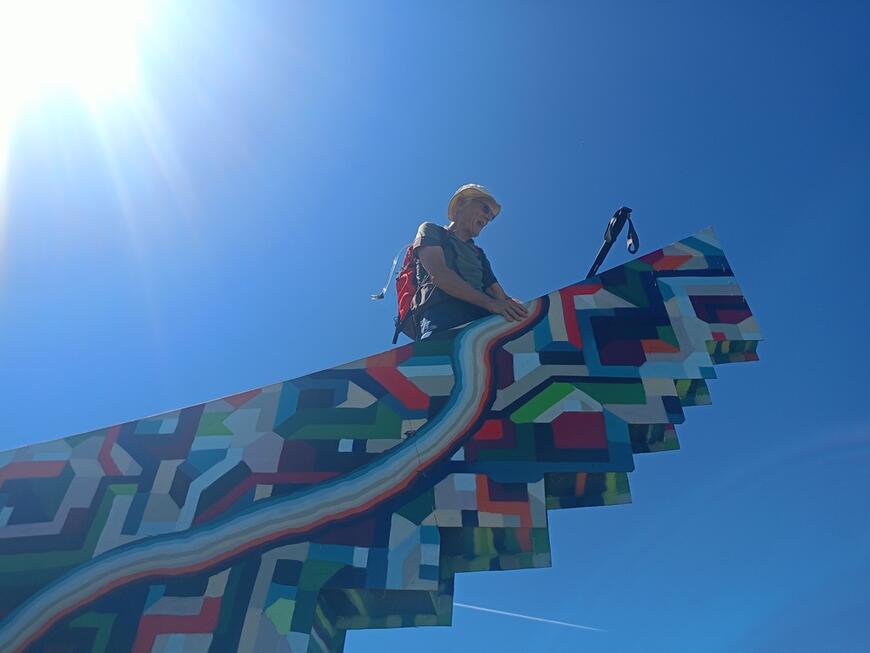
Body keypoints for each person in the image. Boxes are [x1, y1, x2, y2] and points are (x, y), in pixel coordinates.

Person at [412, 184, 529, 339]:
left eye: (492, 217)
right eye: (485, 209)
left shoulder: (479, 254)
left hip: (481, 319)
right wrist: (490, 303)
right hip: (441, 317)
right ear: (461, 204)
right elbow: (439, 274)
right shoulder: (431, 230)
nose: (488, 218)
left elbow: (498, 294)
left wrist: (529, 309)